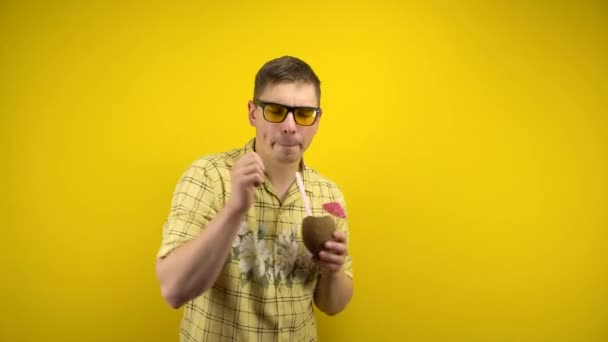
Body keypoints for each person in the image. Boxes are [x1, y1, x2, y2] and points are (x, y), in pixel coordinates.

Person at [155, 56, 353, 341]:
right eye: (275, 110)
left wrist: (333, 272)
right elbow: (173, 290)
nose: (289, 126)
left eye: (304, 114)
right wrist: (234, 209)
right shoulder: (208, 177)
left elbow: (332, 306)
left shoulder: (328, 196)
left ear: (317, 121)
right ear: (252, 113)